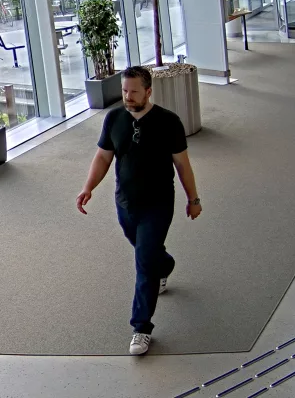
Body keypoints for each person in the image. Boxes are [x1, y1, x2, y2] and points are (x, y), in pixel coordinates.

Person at [76, 66, 202, 356]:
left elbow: (182, 165)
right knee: (148, 252)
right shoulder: (114, 118)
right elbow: (103, 157)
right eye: (124, 91)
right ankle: (165, 265)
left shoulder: (169, 122)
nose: (128, 96)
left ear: (148, 91)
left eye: (133, 91)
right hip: (125, 203)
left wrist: (193, 199)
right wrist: (88, 187)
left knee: (144, 260)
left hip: (158, 204)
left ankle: (141, 327)